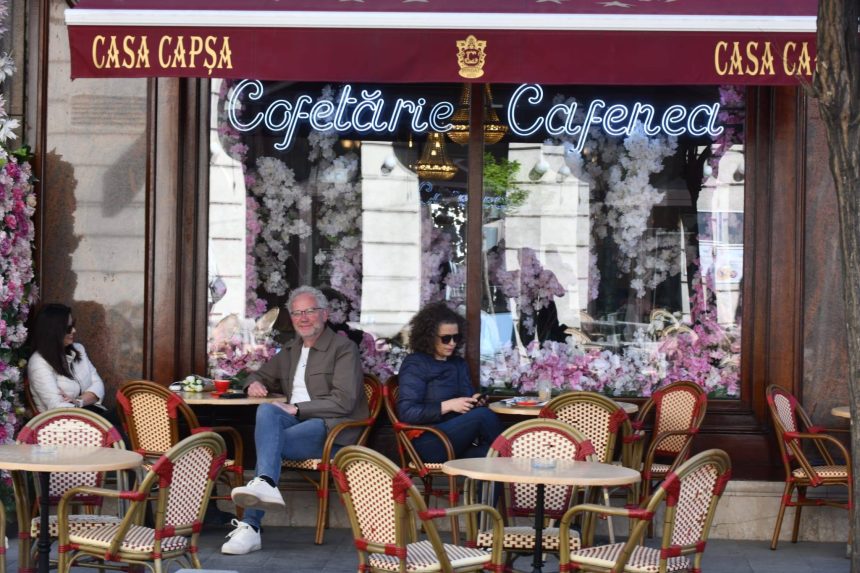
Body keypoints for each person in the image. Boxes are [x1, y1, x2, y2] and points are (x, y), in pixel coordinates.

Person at [221, 285, 368, 555]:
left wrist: (297, 409)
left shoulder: (343, 349)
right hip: (297, 427)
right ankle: (265, 487)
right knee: (266, 411)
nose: (303, 318)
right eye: (297, 313)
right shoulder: (291, 350)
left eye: (309, 311)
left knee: (270, 444)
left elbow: (344, 401)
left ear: (324, 314)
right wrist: (253, 384)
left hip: (331, 431)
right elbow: (258, 375)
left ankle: (250, 526)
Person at [398, 302, 502, 463]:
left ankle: (514, 463)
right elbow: (407, 412)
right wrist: (449, 405)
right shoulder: (415, 364)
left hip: (457, 439)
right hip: (429, 440)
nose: (452, 343)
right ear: (429, 337)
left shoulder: (458, 363)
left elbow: (466, 401)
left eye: (456, 337)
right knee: (484, 415)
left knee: (493, 456)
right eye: (446, 338)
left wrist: (474, 401)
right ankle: (518, 460)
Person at [27, 303, 108, 413]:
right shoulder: (38, 363)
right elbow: (57, 407)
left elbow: (98, 386)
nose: (74, 330)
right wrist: (84, 400)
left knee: (125, 410)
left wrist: (78, 401)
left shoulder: (78, 349)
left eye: (73, 325)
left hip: (89, 414)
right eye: (68, 328)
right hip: (65, 421)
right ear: (53, 331)